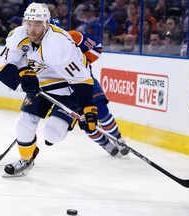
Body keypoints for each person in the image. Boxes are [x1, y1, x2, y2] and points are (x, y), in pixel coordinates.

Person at [0, 3, 97, 177]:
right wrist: (22, 75)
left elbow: (81, 80)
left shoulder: (58, 44)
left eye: (37, 24)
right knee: (23, 124)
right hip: (41, 86)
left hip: (69, 88)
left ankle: (67, 120)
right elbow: (2, 69)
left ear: (46, 24)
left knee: (53, 135)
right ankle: (26, 159)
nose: (32, 29)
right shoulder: (17, 36)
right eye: (29, 23)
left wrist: (87, 107)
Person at [50, 18, 129, 157]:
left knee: (101, 110)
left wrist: (84, 62)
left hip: (85, 81)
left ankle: (118, 139)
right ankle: (105, 144)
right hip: (67, 91)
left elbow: (96, 47)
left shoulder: (73, 36)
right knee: (86, 121)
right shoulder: (39, 48)